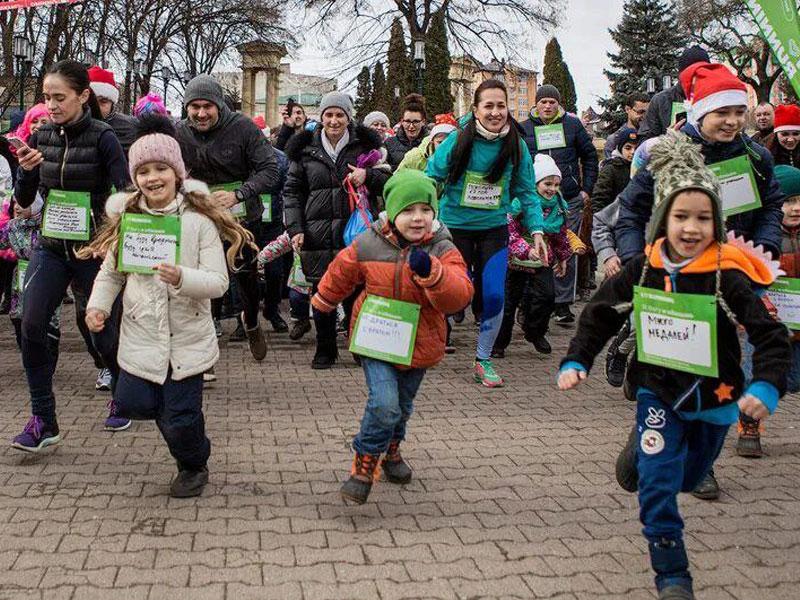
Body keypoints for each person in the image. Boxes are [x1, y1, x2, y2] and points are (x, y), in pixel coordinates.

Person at [558, 131, 790, 600]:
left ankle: (644, 457)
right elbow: (600, 312)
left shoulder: (727, 272)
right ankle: (672, 576)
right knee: (660, 490)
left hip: (718, 399)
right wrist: (577, 359)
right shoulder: (645, 267)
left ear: (717, 223)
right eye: (680, 216)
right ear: (663, 219)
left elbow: (770, 337)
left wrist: (765, 387)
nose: (690, 228)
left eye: (703, 218)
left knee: (687, 476)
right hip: (658, 390)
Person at [83, 114, 255, 498]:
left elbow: (218, 283)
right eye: (143, 171)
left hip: (186, 341)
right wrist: (98, 308)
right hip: (142, 335)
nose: (152, 178)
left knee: (180, 416)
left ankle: (194, 463)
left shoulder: (197, 222)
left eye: (161, 168)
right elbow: (111, 274)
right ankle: (184, 441)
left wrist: (182, 277)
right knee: (134, 403)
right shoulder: (131, 219)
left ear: (177, 173)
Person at [310, 169, 473, 504]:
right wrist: (324, 301)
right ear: (392, 211)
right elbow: (342, 270)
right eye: (408, 210)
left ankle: (392, 450)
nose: (417, 218)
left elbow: (459, 295)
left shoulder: (442, 247)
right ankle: (364, 463)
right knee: (385, 405)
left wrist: (433, 273)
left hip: (420, 342)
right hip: (377, 339)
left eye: (425, 210)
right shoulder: (370, 241)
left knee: (402, 405)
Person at [11, 59, 131, 452]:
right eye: (46, 98)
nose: (52, 105)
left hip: (92, 249)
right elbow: (25, 202)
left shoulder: (104, 137)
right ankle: (43, 420)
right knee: (31, 324)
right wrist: (26, 172)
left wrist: (107, 238)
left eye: (59, 97)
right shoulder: (42, 136)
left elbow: (123, 193)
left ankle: (119, 385)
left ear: (83, 96)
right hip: (51, 246)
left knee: (97, 326)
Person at [426, 79, 548, 387]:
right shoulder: (456, 140)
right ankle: (429, 344)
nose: (495, 112)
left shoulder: (516, 144)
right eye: (488, 106)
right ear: (476, 109)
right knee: (449, 294)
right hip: (454, 228)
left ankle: (483, 360)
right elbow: (430, 178)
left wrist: (536, 230)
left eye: (501, 105)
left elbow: (527, 191)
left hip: (494, 228)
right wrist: (423, 217)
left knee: (494, 294)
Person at [176, 74, 280, 358]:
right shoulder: (180, 132)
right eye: (194, 106)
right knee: (202, 277)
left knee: (244, 276)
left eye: (207, 106)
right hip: (200, 216)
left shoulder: (243, 128)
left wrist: (238, 195)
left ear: (219, 105)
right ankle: (204, 344)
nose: (200, 113)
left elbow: (270, 170)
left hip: (242, 218)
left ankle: (250, 320)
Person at [284, 91, 391, 368]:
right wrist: (296, 227)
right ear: (321, 117)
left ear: (348, 116)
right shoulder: (305, 149)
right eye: (329, 115)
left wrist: (367, 175)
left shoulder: (365, 145)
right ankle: (325, 348)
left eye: (339, 115)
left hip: (354, 232)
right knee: (323, 293)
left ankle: (360, 346)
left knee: (358, 293)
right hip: (315, 233)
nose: (334, 121)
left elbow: (388, 180)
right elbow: (292, 192)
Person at [520, 83, 599, 324]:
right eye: (543, 102)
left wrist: (586, 189)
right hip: (535, 200)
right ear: (536, 104)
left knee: (566, 247)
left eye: (552, 102)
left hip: (568, 198)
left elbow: (590, 156)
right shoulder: (525, 128)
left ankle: (563, 304)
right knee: (535, 246)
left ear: (558, 104)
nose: (547, 106)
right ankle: (535, 302)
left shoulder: (572, 125)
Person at [493, 154, 570, 358]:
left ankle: (534, 331)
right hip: (515, 260)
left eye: (556, 184)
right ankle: (499, 343)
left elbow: (560, 235)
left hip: (543, 259)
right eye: (547, 183)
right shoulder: (519, 205)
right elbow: (509, 233)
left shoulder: (559, 206)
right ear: (536, 183)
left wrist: (563, 258)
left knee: (547, 296)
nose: (552, 189)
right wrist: (526, 250)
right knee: (508, 303)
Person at [637, 46, 710, 142]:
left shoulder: (716, 98)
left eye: (703, 71)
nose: (697, 77)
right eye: (692, 72)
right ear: (681, 74)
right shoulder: (661, 100)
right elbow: (644, 143)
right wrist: (666, 141)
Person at [88, 66, 137, 154]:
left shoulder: (129, 129)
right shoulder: (68, 126)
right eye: (90, 101)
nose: (96, 107)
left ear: (112, 104)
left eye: (103, 101)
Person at [593, 127, 637, 215]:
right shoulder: (610, 168)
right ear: (620, 148)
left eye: (636, 148)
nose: (633, 152)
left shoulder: (640, 168)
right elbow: (599, 198)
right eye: (628, 148)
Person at [385, 94, 429, 169]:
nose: (411, 126)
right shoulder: (389, 144)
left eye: (415, 122)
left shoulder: (431, 144)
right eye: (408, 121)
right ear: (402, 121)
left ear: (423, 122)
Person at [603, 93, 650, 160]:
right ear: (627, 109)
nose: (644, 116)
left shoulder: (650, 136)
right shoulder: (614, 139)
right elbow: (609, 167)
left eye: (647, 112)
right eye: (640, 112)